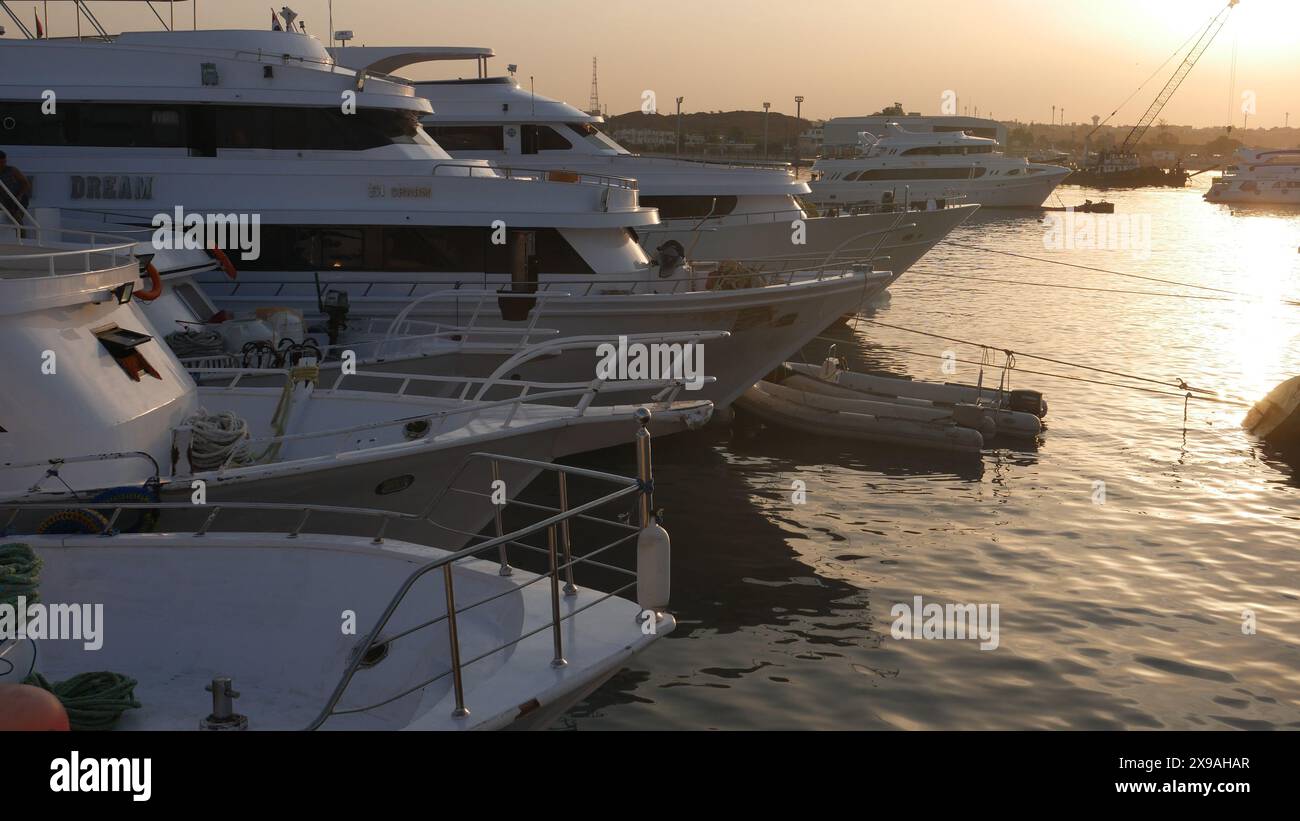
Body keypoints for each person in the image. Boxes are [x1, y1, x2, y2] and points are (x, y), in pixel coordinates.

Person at [0, 151, 33, 229]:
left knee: (16, 217)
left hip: (17, 198)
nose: (3, 164)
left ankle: (22, 237)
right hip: (3, 200)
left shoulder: (12, 170)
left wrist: (20, 195)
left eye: (4, 162)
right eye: (1, 162)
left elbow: (26, 183)